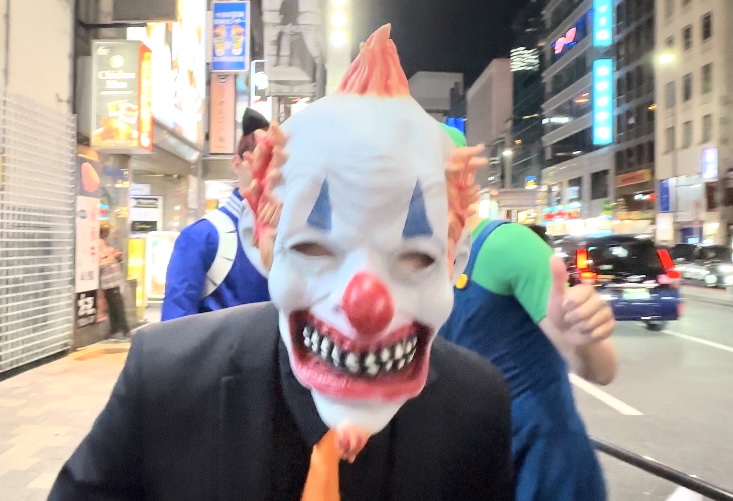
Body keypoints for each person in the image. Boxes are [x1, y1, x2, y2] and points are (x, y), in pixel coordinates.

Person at [50, 25, 517, 500]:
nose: (364, 305)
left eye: (417, 258)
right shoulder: (166, 380)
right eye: (314, 249)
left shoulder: (476, 407)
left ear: (455, 257)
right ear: (261, 244)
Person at [439, 126, 617, 501]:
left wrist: (582, 341)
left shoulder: (509, 245)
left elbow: (600, 371)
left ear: (461, 178)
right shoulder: (403, 265)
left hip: (541, 462)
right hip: (462, 460)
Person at [160, 108, 271, 321]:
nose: (263, 172)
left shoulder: (293, 234)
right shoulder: (202, 237)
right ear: (237, 164)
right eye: (257, 159)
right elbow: (174, 330)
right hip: (222, 354)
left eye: (273, 162)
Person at [98, 222, 131, 341]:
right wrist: (112, 256)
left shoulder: (104, 244)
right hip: (109, 281)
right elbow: (101, 262)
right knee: (117, 306)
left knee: (114, 307)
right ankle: (125, 330)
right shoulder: (98, 244)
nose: (107, 233)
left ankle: (115, 331)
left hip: (112, 281)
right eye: (106, 231)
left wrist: (115, 256)